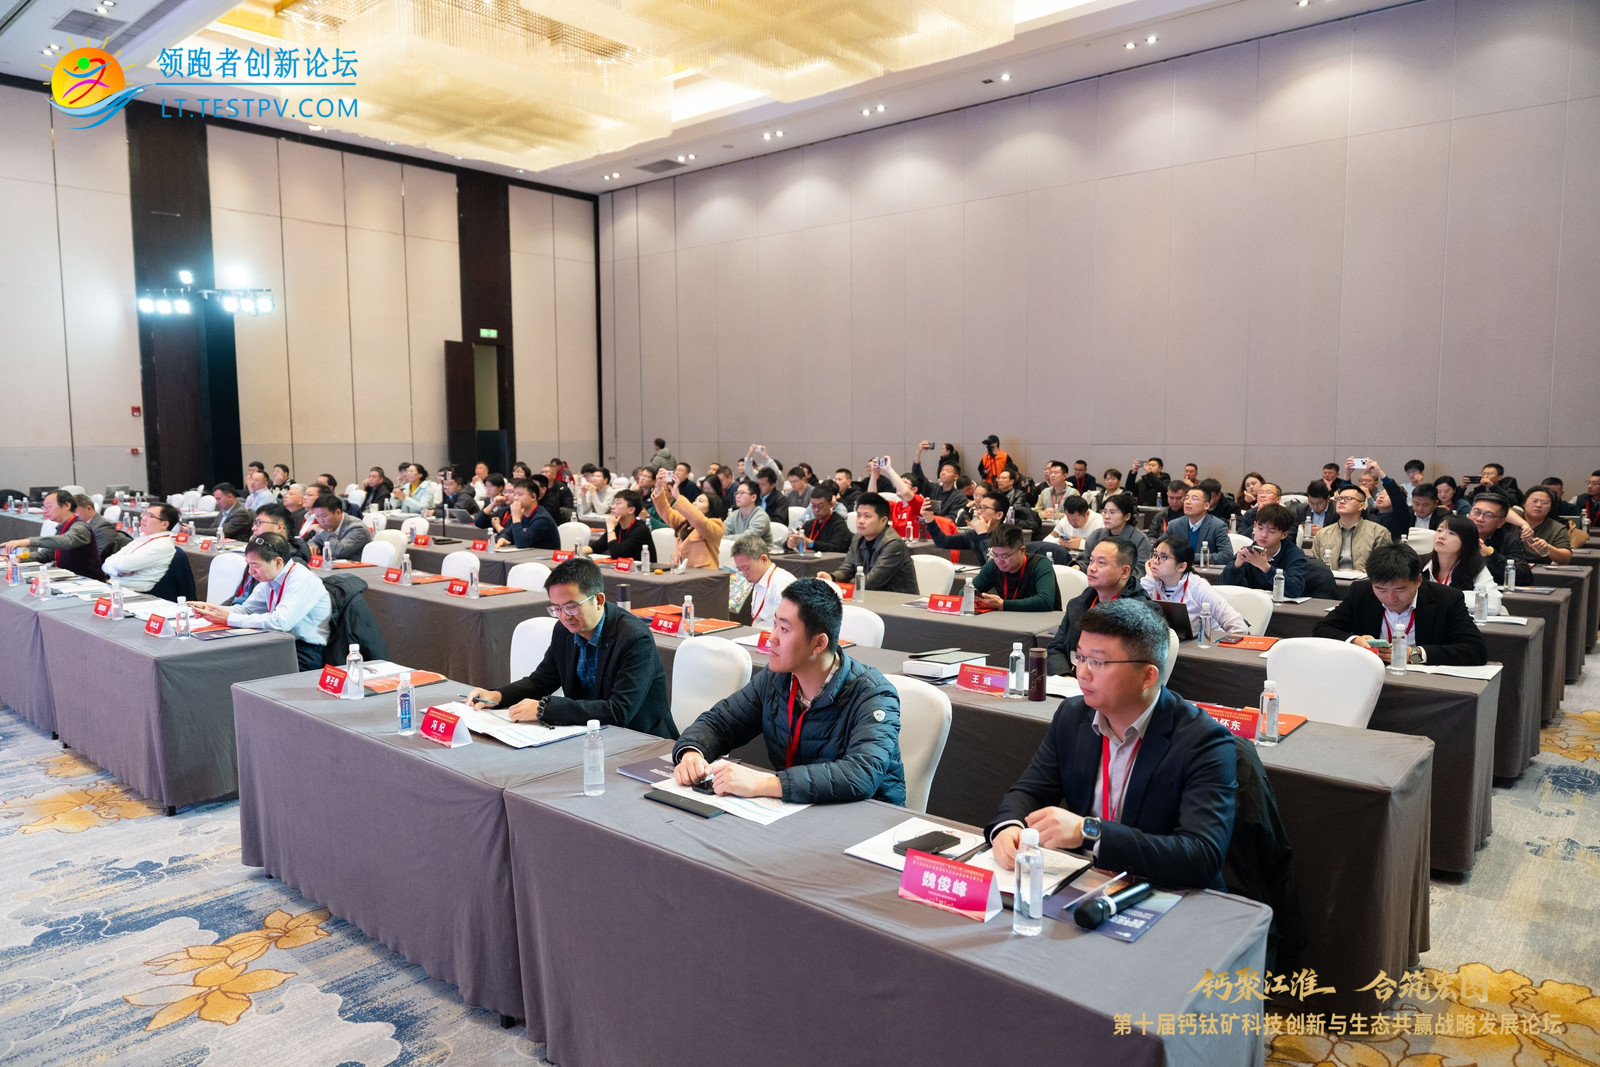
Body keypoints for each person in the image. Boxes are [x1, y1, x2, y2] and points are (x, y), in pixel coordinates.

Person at [987, 598, 1236, 890]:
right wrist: (1009, 826)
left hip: (1164, 891)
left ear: (1148, 676)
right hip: (1086, 883)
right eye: (1080, 657)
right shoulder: (1072, 716)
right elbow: (1029, 791)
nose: (1082, 673)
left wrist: (1090, 832)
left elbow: (1201, 856)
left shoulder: (1204, 741)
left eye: (1098, 662)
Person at [672, 578, 905, 804]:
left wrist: (763, 784)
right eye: (774, 624)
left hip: (867, 816)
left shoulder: (874, 694)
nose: (771, 638)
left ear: (818, 644)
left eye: (784, 629)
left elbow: (860, 774)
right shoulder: (776, 679)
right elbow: (721, 722)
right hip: (798, 808)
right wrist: (693, 753)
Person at [462, 558, 674, 738]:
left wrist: (545, 709)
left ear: (598, 600)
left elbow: (619, 711)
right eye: (556, 608)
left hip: (639, 738)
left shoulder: (634, 638)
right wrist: (497, 696)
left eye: (571, 607)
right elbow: (540, 682)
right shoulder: (563, 631)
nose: (563, 617)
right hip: (586, 732)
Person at [1313, 542, 1487, 666]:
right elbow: (1322, 629)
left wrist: (1415, 654)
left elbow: (1476, 650)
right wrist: (1355, 641)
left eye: (1400, 590)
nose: (1390, 598)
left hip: (1423, 682)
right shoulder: (1361, 592)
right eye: (1381, 590)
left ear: (1418, 580)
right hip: (1369, 675)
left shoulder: (1447, 599)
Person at [190, 534, 330, 669]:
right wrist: (213, 610)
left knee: (236, 665)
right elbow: (247, 610)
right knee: (226, 659)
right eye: (248, 565)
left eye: (255, 565)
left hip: (304, 652)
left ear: (277, 562)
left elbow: (281, 622)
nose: (251, 572)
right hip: (279, 642)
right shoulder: (271, 578)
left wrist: (229, 618)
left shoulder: (302, 579)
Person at [1046, 539, 1150, 675]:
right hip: (1072, 681)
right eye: (1091, 561)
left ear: (1124, 572)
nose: (1091, 568)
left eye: (1101, 563)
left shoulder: (1142, 613)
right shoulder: (1078, 604)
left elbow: (1133, 667)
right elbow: (1056, 648)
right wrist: (1064, 675)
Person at [1142, 536, 1247, 637]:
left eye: (1163, 557)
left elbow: (1238, 626)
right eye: (1155, 555)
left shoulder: (1198, 587)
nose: (1155, 561)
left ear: (1181, 566)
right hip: (1171, 645)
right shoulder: (1151, 584)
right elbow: (1134, 616)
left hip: (1205, 645)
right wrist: (1150, 578)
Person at [824, 493, 918, 593]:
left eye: (867, 516)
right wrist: (831, 577)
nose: (860, 521)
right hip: (870, 596)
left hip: (898, 599)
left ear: (883, 521)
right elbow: (847, 569)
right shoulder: (858, 538)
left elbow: (871, 582)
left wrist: (842, 586)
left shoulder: (893, 543)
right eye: (858, 515)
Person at [1, 490, 104, 579]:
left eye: (49, 506)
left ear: (67, 505)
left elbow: (67, 541)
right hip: (68, 578)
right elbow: (45, 555)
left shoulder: (80, 526)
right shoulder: (62, 527)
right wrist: (17, 557)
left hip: (86, 581)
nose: (45, 511)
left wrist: (27, 541)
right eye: (44, 507)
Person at [1218, 503, 1308, 598]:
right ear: (1254, 526)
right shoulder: (1248, 552)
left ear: (1284, 534)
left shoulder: (1294, 555)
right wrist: (1236, 566)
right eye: (1260, 528)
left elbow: (1295, 589)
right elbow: (1224, 588)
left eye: (1271, 531)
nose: (1264, 535)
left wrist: (1266, 567)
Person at [968, 523, 1059, 612]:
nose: (999, 561)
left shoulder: (1040, 564)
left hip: (1045, 620)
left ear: (1022, 550)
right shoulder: (993, 565)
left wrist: (1003, 604)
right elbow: (966, 591)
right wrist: (976, 599)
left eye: (1005, 556)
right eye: (995, 555)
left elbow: (1045, 601)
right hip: (1008, 619)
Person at [98, 502, 180, 592]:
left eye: (151, 516)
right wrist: (117, 572)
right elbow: (106, 563)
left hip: (134, 592)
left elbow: (123, 565)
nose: (144, 518)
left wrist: (115, 567)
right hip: (115, 586)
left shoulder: (162, 545)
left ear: (164, 524)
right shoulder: (143, 538)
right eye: (145, 514)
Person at [651, 476, 724, 569]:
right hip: (680, 571)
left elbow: (699, 520)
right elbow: (665, 511)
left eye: (700, 501)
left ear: (711, 507)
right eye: (695, 500)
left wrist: (678, 496)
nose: (694, 503)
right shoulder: (685, 522)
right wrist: (658, 486)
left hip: (704, 574)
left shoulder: (716, 526)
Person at [1310, 485, 1388, 572]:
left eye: (1348, 499)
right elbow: (1313, 566)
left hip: (1364, 579)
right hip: (1330, 579)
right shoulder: (1323, 534)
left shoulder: (1378, 532)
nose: (1341, 502)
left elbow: (1384, 567)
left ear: (1361, 505)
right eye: (1339, 499)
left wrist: (1364, 572)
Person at [731, 533, 797, 629]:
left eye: (746, 568)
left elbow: (785, 628)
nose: (744, 574)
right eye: (740, 570)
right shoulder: (758, 580)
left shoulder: (782, 584)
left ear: (763, 559)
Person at [1422, 514, 1496, 599]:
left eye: (1451, 533)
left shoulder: (1474, 567)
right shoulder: (1419, 563)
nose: (1441, 536)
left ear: (1465, 542)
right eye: (1439, 530)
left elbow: (1493, 600)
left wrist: (1451, 597)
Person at [1468, 490, 1531, 585]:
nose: (1480, 518)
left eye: (1488, 515)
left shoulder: (1509, 540)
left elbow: (1523, 577)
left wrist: (1490, 553)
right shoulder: (1455, 534)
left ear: (1501, 522)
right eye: (1476, 512)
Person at [1163, 485, 1234, 567]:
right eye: (1186, 498)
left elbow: (1227, 555)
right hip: (1177, 572)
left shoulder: (1217, 526)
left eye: (1194, 499)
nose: (1188, 502)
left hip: (1205, 572)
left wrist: (1191, 557)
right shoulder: (1174, 525)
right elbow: (1159, 547)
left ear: (1206, 505)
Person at [1080, 491, 1153, 570]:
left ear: (1127, 516)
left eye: (1112, 512)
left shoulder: (1139, 539)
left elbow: (1141, 570)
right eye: (1104, 512)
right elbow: (1085, 561)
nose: (1106, 516)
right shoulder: (1097, 535)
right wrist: (1078, 567)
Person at [1512, 485, 1573, 565]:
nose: (1538, 505)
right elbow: (1505, 512)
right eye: (1534, 501)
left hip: (1539, 570)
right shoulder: (1515, 516)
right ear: (1524, 503)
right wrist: (1524, 524)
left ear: (1550, 507)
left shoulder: (1557, 528)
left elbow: (1566, 558)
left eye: (1544, 502)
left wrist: (1548, 547)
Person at [587, 489, 652, 560]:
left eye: (618, 503)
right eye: (613, 503)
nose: (612, 507)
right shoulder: (617, 526)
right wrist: (579, 550)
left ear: (631, 510)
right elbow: (595, 547)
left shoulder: (641, 530)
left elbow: (617, 554)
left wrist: (610, 528)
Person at [496, 479, 561, 550]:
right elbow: (508, 533)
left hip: (544, 556)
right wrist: (503, 538)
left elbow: (522, 544)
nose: (515, 498)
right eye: (515, 494)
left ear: (533, 497)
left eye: (520, 494)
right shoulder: (523, 514)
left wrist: (516, 518)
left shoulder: (542, 518)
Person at [788, 484, 853, 554]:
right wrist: (790, 544)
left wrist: (810, 543)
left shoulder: (839, 525)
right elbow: (800, 542)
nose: (816, 510)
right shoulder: (809, 524)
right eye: (813, 506)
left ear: (831, 505)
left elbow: (836, 548)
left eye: (820, 506)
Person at [307, 494, 371, 561]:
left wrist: (321, 531)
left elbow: (339, 552)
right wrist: (312, 545)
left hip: (355, 566)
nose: (321, 520)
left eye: (324, 516)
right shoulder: (328, 524)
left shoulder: (357, 528)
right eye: (317, 516)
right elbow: (314, 540)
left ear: (338, 512)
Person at [1381, 482, 1445, 540]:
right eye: (1416, 504)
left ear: (1436, 503)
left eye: (1425, 505)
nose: (1420, 508)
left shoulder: (1443, 518)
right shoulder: (1407, 514)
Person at [722, 479, 773, 545]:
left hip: (761, 551)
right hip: (739, 550)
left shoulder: (761, 517)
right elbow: (721, 531)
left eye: (742, 493)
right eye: (737, 493)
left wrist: (721, 538)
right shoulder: (734, 514)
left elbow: (746, 539)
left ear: (753, 497)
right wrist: (718, 536)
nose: (737, 496)